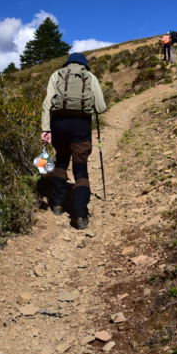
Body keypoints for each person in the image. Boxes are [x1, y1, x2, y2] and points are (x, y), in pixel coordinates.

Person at [40, 53, 107, 229]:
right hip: (81, 125)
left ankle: (58, 204)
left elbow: (47, 104)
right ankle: (79, 214)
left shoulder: (57, 75)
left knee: (61, 159)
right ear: (85, 64)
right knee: (80, 167)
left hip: (58, 124)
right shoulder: (90, 77)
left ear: (67, 63)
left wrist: (46, 128)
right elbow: (101, 107)